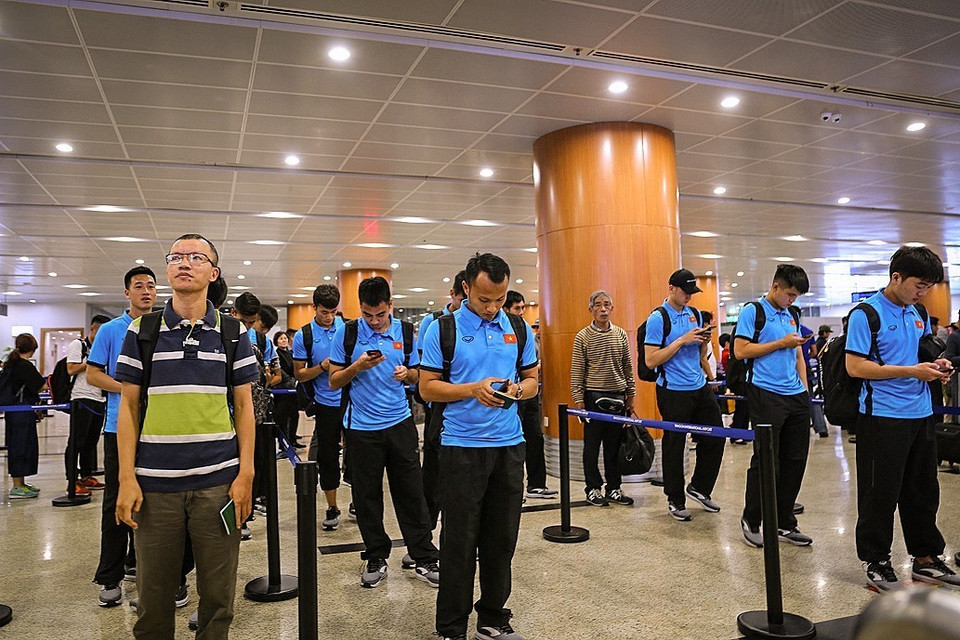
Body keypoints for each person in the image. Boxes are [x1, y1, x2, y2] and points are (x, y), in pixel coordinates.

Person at [114, 234, 258, 639]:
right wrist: (126, 478)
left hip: (219, 485)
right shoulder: (143, 331)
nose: (183, 262)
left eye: (196, 257)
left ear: (212, 273)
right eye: (176, 256)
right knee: (153, 600)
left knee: (218, 601)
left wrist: (245, 473)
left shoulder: (232, 333)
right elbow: (128, 407)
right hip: (155, 486)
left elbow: (245, 407)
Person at [420, 252, 538, 640]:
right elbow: (427, 387)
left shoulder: (519, 328)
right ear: (466, 288)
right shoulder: (443, 329)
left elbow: (532, 379)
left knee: (501, 539)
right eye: (484, 299)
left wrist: (518, 390)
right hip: (460, 448)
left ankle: (492, 617)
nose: (492, 308)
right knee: (459, 541)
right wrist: (472, 389)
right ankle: (451, 627)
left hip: (509, 445)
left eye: (500, 299)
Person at [845, 245, 960, 591]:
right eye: (918, 285)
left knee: (923, 489)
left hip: (921, 413)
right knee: (880, 492)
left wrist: (937, 366)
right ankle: (877, 560)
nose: (922, 293)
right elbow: (855, 367)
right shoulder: (866, 315)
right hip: (882, 417)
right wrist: (911, 371)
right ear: (896, 277)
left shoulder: (919, 312)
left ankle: (925, 557)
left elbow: (921, 352)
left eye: (928, 287)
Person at [328, 276, 439, 589]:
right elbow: (335, 380)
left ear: (391, 305)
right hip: (361, 427)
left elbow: (419, 374)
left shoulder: (404, 331)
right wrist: (357, 367)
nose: (375, 321)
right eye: (368, 314)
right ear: (360, 309)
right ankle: (376, 555)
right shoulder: (346, 333)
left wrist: (409, 373)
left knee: (411, 492)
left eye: (380, 314)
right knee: (366, 496)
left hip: (400, 423)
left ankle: (424, 556)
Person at [87, 266, 158, 607]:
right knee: (116, 501)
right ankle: (110, 576)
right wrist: (128, 390)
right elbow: (92, 374)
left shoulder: (162, 328)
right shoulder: (112, 330)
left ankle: (142, 567)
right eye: (139, 286)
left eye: (151, 286)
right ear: (127, 293)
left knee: (153, 504)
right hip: (119, 426)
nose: (146, 291)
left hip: (157, 428)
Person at [735, 264, 814, 548]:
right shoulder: (753, 311)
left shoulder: (792, 313)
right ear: (776, 286)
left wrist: (805, 390)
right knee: (767, 459)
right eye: (790, 293)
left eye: (797, 296)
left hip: (795, 395)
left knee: (795, 460)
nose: (793, 300)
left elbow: (798, 356)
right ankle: (752, 518)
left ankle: (784, 521)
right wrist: (780, 342)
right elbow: (741, 350)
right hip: (765, 392)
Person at [643, 269, 725, 522]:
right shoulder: (658, 318)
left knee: (716, 436)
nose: (689, 296)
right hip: (672, 390)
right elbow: (650, 360)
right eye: (685, 291)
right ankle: (675, 498)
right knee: (675, 445)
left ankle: (699, 487)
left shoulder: (696, 314)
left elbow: (701, 355)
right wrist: (681, 340)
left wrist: (702, 341)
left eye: (692, 292)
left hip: (698, 386)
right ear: (671, 288)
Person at [570, 290, 636, 507]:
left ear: (612, 308)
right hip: (592, 398)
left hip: (618, 396)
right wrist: (579, 401)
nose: (603, 308)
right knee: (591, 446)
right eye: (598, 305)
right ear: (591, 310)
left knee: (614, 447)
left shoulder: (620, 334)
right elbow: (577, 370)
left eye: (607, 304)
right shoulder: (582, 336)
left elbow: (627, 366)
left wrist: (631, 395)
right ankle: (592, 488)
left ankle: (614, 488)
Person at [293, 284, 346, 531]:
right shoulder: (304, 335)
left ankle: (358, 503)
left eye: (333, 311)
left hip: (352, 401)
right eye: (324, 311)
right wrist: (322, 367)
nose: (329, 317)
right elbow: (300, 375)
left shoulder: (346, 329)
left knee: (359, 455)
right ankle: (332, 506)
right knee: (327, 457)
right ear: (314, 308)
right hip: (325, 403)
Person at [417, 270, 467, 529]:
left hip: (468, 417)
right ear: (455, 294)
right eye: (462, 300)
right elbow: (427, 372)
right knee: (433, 475)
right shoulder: (435, 323)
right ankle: (426, 535)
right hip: (439, 409)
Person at [503, 290, 555, 500]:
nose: (522, 312)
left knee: (535, 437)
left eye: (523, 307)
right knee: (514, 443)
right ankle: (513, 486)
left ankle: (536, 484)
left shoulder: (523, 331)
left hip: (528, 393)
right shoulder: (501, 331)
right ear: (506, 309)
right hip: (508, 396)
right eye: (517, 308)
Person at [65, 315, 110, 495]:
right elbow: (71, 369)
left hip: (99, 398)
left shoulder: (104, 346)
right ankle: (71, 480)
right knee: (76, 441)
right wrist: (92, 361)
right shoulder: (78, 345)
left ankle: (86, 476)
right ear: (92, 329)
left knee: (91, 442)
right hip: (81, 398)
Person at [2, 333, 46, 499]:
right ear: (33, 348)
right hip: (22, 411)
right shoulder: (24, 365)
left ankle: (20, 482)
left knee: (18, 445)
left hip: (14, 412)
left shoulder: (11, 364)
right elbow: (40, 386)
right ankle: (17, 486)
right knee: (22, 446)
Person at [273, 331, 301, 449]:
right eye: (281, 339)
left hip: (292, 390)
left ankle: (293, 439)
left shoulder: (290, 353)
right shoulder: (276, 354)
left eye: (285, 338)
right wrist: (290, 381)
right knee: (283, 418)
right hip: (283, 389)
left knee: (294, 415)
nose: (284, 340)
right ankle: (284, 445)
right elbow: (281, 372)